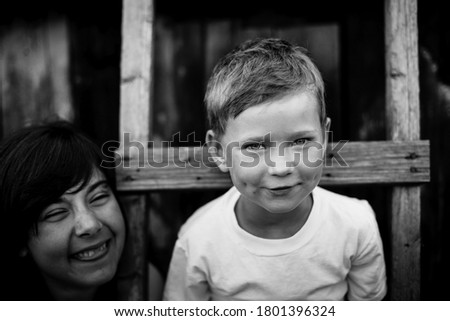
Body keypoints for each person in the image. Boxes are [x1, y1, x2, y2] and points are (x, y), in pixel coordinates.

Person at [163, 38, 387, 300]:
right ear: (218, 152)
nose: (281, 167)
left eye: (301, 141)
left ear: (324, 138)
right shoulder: (199, 239)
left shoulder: (355, 226)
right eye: (256, 146)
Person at [0, 120, 163, 300]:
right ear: (19, 239)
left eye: (99, 197)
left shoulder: (144, 286)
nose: (90, 225)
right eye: (56, 213)